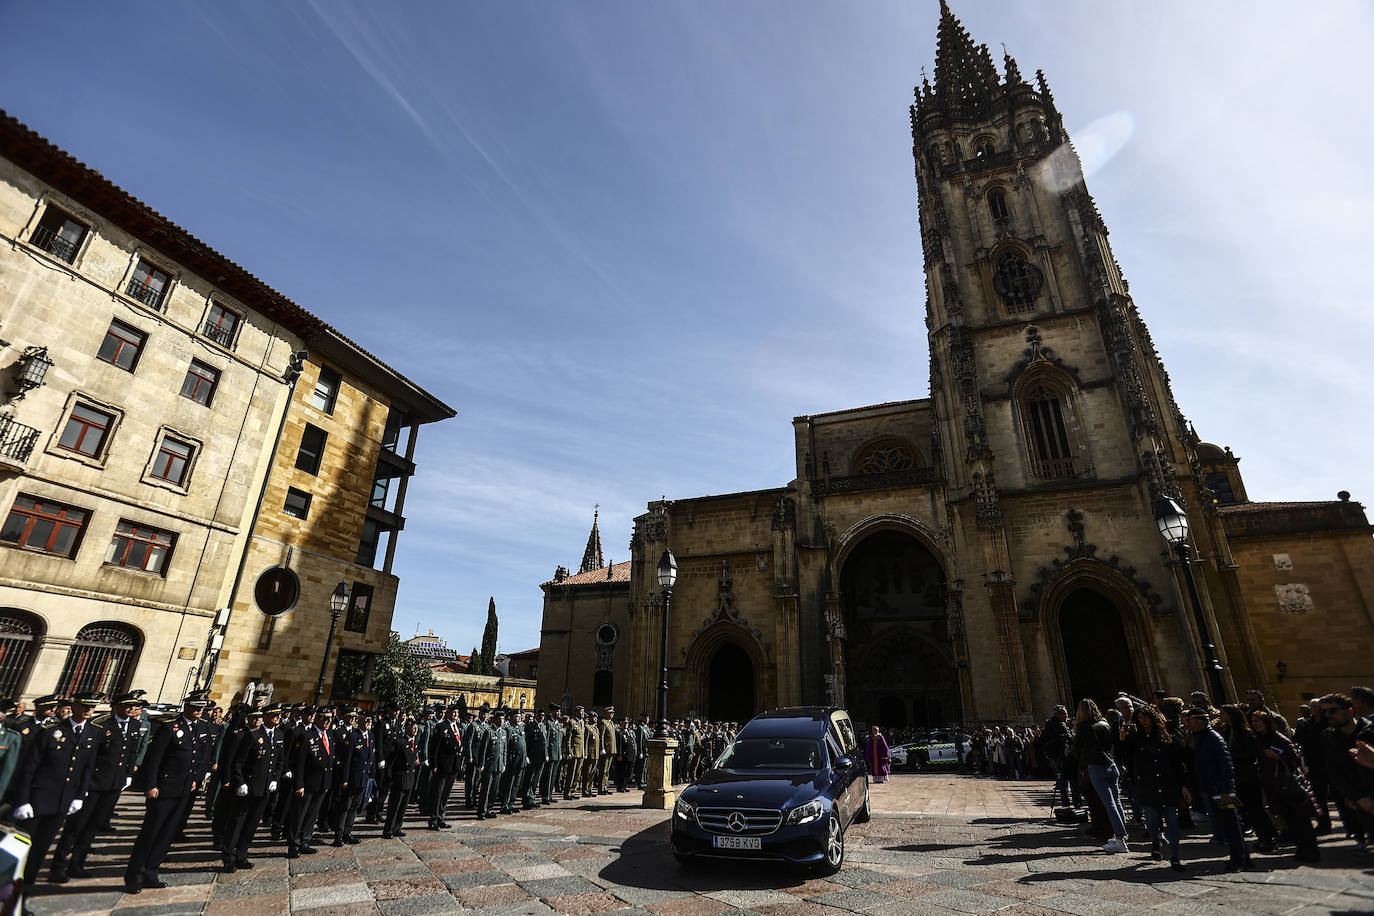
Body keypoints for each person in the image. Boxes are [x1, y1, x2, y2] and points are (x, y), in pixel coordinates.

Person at [52, 690, 148, 881]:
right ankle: (58, 866)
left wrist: (128, 775)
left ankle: (77, 863)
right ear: (117, 707)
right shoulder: (101, 726)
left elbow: (130, 753)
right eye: (127, 705)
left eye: (133, 705)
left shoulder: (135, 725)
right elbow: (91, 757)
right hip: (94, 783)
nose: (131, 709)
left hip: (114, 784)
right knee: (75, 827)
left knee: (93, 826)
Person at [12, 691, 101, 887]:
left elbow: (87, 768)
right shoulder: (51, 730)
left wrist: (79, 796)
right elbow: (29, 768)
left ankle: (22, 898)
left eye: (92, 707)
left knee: (39, 853)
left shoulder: (93, 733)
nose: (88, 710)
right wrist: (22, 800)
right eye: (85, 706)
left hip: (62, 802)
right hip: (36, 801)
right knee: (19, 852)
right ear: (74, 706)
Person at [125, 692, 210, 893]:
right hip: (163, 789)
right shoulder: (170, 727)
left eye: (202, 708)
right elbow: (154, 759)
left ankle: (151, 872)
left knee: (167, 834)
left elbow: (199, 757)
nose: (199, 711)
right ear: (187, 707)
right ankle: (134, 876)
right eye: (196, 707)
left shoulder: (201, 728)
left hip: (183, 790)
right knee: (151, 832)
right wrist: (150, 785)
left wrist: (195, 780)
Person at [1188, 706, 1254, 872]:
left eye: (1189, 721)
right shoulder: (1200, 737)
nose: (1187, 724)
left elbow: (1226, 765)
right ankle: (1242, 857)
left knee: (1231, 825)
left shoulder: (1212, 738)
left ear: (1198, 721)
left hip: (1222, 790)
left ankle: (1238, 860)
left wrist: (1225, 789)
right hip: (1212, 789)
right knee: (1228, 825)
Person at [1125, 704, 1188, 871]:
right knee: (1152, 820)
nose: (1143, 720)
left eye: (1145, 717)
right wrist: (1121, 740)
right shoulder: (1134, 737)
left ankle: (1175, 856)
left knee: (1172, 821)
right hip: (1146, 785)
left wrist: (1183, 785)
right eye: (1140, 718)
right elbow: (1126, 759)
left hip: (1167, 784)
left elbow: (1178, 762)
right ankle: (1155, 841)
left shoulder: (1168, 734)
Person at [1250, 709, 1318, 862]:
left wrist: (1278, 756)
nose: (1255, 724)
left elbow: (1295, 758)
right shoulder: (1260, 740)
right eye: (1253, 722)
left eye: (1257, 721)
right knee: (1289, 819)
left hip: (1288, 784)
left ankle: (1311, 851)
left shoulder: (1279, 738)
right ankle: (1301, 849)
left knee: (1301, 819)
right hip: (1274, 785)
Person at [224, 704, 284, 871]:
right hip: (249, 787)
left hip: (265, 788)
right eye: (274, 715)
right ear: (265, 717)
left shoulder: (279, 735)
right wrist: (240, 782)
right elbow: (239, 762)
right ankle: (228, 856)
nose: (278, 717)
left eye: (279, 715)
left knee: (252, 824)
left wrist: (275, 779)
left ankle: (241, 855)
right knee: (238, 822)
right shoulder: (253, 735)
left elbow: (279, 761)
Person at [1217, 704, 1277, 852]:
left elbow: (1251, 754)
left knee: (1255, 809)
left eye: (1223, 714)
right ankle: (1264, 836)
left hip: (1248, 777)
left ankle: (1268, 838)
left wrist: (1231, 756)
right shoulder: (1227, 731)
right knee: (1249, 810)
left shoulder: (1245, 733)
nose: (1221, 716)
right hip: (1237, 776)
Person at [1073, 699, 1128, 853]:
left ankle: (1120, 838)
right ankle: (1122, 836)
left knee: (1108, 803)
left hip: (1096, 767)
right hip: (1111, 765)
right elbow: (1113, 744)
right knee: (1116, 802)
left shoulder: (1083, 727)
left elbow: (1076, 748)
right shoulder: (1105, 724)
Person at [286, 706, 336, 858]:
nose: (328, 721)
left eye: (330, 718)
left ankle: (305, 841)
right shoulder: (307, 735)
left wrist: (328, 782)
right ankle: (294, 845)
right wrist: (299, 784)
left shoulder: (330, 735)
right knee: (299, 815)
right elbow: (299, 763)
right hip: (307, 782)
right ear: (317, 718)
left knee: (312, 814)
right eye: (324, 717)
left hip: (322, 782)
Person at [383, 719, 423, 838]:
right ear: (407, 728)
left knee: (403, 807)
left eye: (416, 728)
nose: (415, 730)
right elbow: (390, 762)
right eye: (413, 728)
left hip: (409, 779)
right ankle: (388, 830)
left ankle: (397, 828)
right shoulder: (399, 742)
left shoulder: (414, 742)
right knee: (394, 807)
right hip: (399, 779)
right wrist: (390, 779)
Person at [427, 704, 463, 828]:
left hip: (454, 765)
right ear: (447, 713)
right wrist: (434, 764)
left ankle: (441, 817)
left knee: (446, 794)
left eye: (457, 713)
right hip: (442, 765)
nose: (455, 715)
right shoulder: (441, 727)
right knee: (437, 793)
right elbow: (434, 747)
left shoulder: (459, 726)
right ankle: (433, 819)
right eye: (453, 712)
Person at [476, 709, 508, 819]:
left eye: (503, 719)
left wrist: (504, 763)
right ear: (494, 720)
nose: (502, 721)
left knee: (494, 790)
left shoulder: (503, 732)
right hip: (489, 765)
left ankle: (489, 809)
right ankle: (481, 811)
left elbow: (504, 750)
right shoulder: (489, 732)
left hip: (498, 765)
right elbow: (483, 750)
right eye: (500, 719)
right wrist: (481, 764)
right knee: (486, 790)